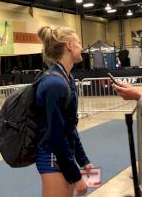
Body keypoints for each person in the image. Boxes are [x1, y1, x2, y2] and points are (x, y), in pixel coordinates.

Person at [36, 26, 93, 197]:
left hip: (62, 155)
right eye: (79, 42)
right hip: (52, 157)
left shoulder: (66, 79)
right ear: (69, 45)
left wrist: (82, 159)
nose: (81, 47)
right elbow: (56, 135)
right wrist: (76, 176)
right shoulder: (54, 83)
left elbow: (69, 127)